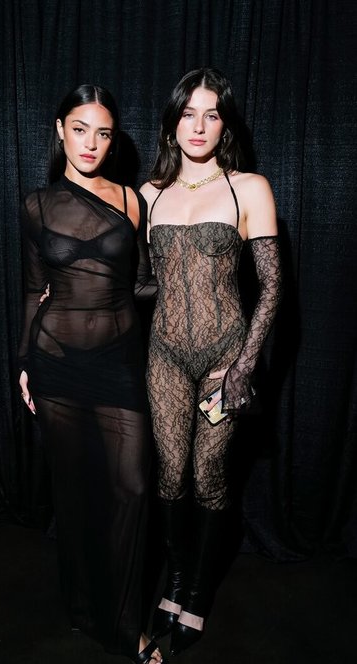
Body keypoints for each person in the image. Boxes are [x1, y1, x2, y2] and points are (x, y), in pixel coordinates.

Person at [140, 67, 282, 656]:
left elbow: (272, 287)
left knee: (209, 475)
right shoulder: (148, 194)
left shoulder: (248, 188)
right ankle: (175, 583)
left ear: (225, 124)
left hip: (226, 356)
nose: (198, 126)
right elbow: (142, 283)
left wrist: (243, 366)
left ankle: (198, 593)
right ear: (173, 122)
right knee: (170, 475)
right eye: (188, 113)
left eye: (212, 114)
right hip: (165, 355)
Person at [18, 84, 162, 664]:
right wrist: (23, 363)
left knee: (132, 487)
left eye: (103, 133)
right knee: (74, 495)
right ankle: (82, 607)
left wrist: (194, 284)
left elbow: (143, 283)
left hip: (118, 363)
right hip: (54, 363)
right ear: (60, 130)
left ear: (113, 139)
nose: (90, 143)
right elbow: (33, 290)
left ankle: (124, 625)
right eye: (80, 129)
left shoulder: (131, 200)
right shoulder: (36, 205)